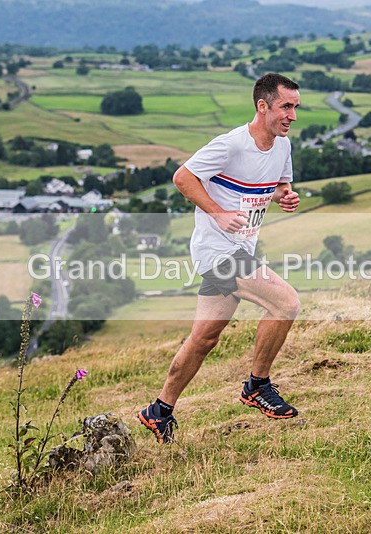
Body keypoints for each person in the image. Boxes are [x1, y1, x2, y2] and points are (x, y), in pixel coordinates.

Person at [139, 73, 302, 444]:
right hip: (217, 253)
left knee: (204, 338)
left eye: (295, 107)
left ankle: (159, 410)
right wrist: (217, 212)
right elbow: (183, 178)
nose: (292, 115)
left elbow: (278, 184)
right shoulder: (230, 145)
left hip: (240, 250)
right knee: (286, 303)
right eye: (285, 106)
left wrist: (284, 196)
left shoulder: (281, 146)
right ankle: (257, 386)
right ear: (263, 106)